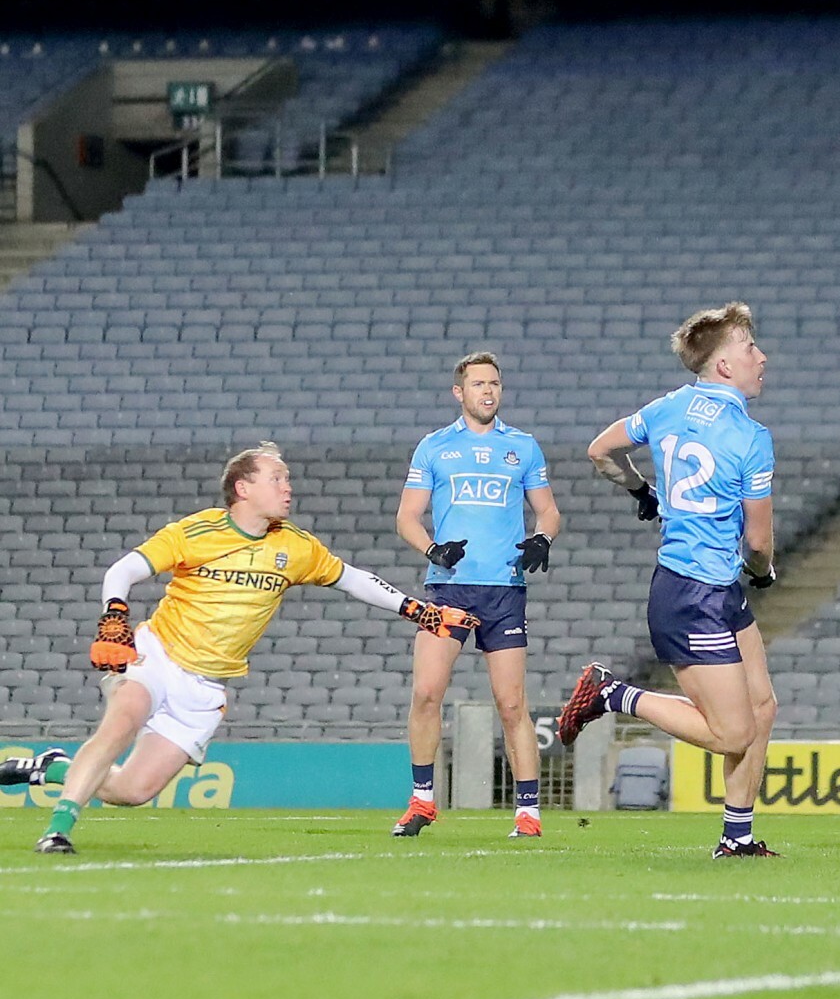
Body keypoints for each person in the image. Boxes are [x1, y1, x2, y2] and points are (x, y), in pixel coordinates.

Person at [0, 443, 475, 853]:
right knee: (120, 724)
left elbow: (354, 580)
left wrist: (420, 611)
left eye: (287, 478)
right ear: (243, 488)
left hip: (205, 688)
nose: (288, 487)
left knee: (131, 790)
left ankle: (54, 768)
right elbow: (121, 571)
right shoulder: (196, 531)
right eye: (276, 478)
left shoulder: (297, 547)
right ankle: (58, 830)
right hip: (157, 655)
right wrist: (115, 614)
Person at [557, 302, 780, 859]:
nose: (762, 357)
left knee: (763, 707)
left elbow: (601, 451)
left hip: (708, 589)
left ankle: (738, 836)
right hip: (695, 593)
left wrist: (641, 492)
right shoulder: (750, 437)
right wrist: (763, 572)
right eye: (751, 348)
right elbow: (757, 543)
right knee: (733, 733)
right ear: (725, 365)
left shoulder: (666, 408)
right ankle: (612, 693)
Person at [391, 352, 562, 839]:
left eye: (494, 383)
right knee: (426, 692)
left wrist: (542, 538)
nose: (487, 391)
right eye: (478, 384)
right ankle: (422, 801)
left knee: (511, 705)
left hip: (505, 588)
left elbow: (548, 511)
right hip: (448, 587)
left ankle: (528, 814)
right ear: (458, 393)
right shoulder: (434, 447)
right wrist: (433, 548)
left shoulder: (523, 447)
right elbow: (406, 517)